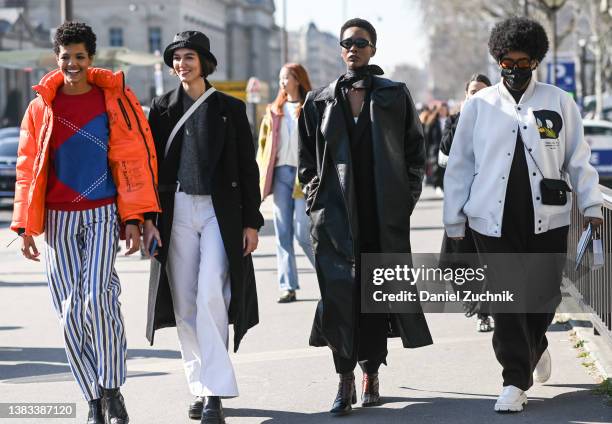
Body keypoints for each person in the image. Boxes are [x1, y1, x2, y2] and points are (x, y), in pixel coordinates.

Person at [443, 17, 603, 413]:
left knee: (544, 296)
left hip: (549, 218)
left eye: (523, 62)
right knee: (507, 301)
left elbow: (578, 160)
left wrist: (592, 205)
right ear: (498, 60)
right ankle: (514, 379)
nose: (515, 69)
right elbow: (460, 165)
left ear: (536, 61)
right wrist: (454, 219)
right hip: (491, 221)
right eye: (507, 62)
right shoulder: (479, 106)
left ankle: (537, 344)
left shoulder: (558, 101)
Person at [11, 22, 160, 424]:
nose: (72, 64)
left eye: (79, 56)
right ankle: (93, 398)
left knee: (97, 297)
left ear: (90, 58)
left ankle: (112, 388)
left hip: (101, 212)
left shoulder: (114, 99)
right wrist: (25, 226)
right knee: (70, 311)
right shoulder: (42, 106)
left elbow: (132, 161)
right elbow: (27, 168)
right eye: (65, 58)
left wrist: (135, 217)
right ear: (56, 60)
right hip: (56, 218)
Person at [298, 18, 433, 416]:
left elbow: (415, 152)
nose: (353, 48)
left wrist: (404, 200)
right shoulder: (318, 100)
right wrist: (314, 198)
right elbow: (306, 158)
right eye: (347, 43)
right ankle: (343, 380)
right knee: (338, 299)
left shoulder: (394, 94)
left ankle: (371, 372)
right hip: (334, 218)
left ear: (373, 48)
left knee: (375, 298)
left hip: (380, 215)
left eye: (361, 42)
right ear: (341, 50)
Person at [145, 31, 264, 424]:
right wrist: (148, 220)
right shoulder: (161, 109)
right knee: (184, 300)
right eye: (176, 58)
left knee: (212, 292)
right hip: (175, 209)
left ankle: (215, 392)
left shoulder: (231, 108)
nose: (182, 64)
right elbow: (148, 169)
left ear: (204, 62)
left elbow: (248, 168)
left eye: (189, 57)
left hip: (219, 210)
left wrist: (251, 222)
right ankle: (198, 385)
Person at [438, 73, 494, 332]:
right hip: (461, 202)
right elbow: (445, 152)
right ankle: (470, 299)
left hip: (491, 202)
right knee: (455, 262)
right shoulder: (455, 120)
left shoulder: (499, 121)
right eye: (473, 91)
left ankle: (484, 311)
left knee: (488, 260)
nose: (478, 95)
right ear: (466, 95)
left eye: (483, 91)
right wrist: (463, 117)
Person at [257, 63, 315, 303]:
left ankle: (329, 276)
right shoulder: (273, 110)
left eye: (286, 78)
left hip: (302, 176)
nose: (282, 82)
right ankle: (287, 286)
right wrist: (260, 177)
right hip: (281, 174)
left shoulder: (311, 107)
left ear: (298, 80)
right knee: (283, 232)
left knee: (303, 232)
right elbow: (262, 146)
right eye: (280, 78)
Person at [424, 102, 449, 196]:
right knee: (437, 169)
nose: (442, 111)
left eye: (444, 109)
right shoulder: (433, 122)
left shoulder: (450, 120)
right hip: (436, 150)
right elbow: (427, 137)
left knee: (446, 169)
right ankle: (437, 186)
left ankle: (444, 186)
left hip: (448, 150)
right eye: (441, 109)